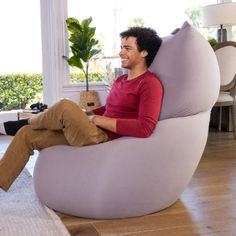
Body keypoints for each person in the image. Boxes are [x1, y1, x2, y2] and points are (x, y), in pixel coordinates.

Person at [0, 26, 163, 191]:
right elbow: (111, 108)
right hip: (89, 130)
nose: (121, 53)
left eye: (127, 48)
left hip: (104, 138)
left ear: (144, 52)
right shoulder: (121, 80)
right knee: (27, 134)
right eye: (121, 48)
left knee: (65, 105)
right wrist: (90, 113)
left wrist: (97, 119)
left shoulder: (150, 83)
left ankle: (25, 121)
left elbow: (145, 127)